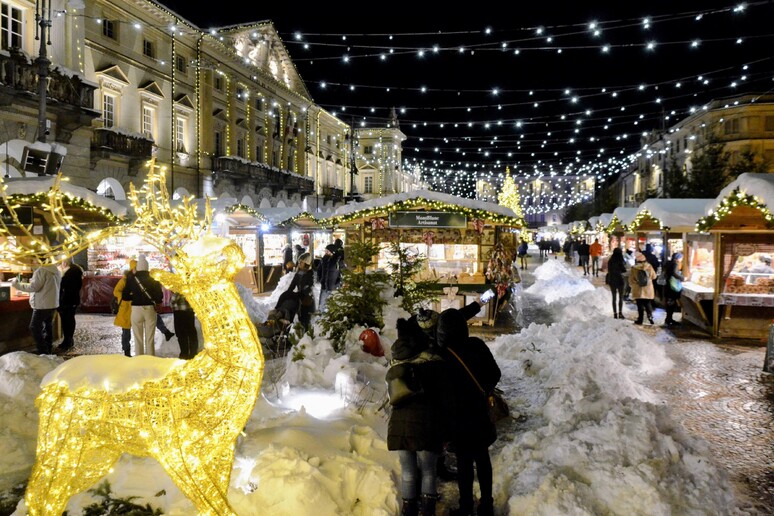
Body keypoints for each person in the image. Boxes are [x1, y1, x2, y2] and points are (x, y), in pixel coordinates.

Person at [436, 306, 502, 516]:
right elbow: (495, 373)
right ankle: (486, 505)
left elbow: (440, 392)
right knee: (483, 458)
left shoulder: (443, 357)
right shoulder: (477, 346)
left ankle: (465, 507)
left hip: (458, 420)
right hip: (479, 414)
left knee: (464, 463)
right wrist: (485, 390)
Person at [386, 317, 454, 516]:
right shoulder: (433, 362)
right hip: (426, 425)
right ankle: (427, 510)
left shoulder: (394, 362)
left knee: (408, 472)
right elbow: (444, 398)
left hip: (399, 426)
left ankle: (408, 510)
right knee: (428, 471)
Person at [11, 261, 62, 354]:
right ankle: (48, 348)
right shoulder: (56, 270)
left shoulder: (41, 271)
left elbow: (33, 287)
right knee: (48, 325)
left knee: (34, 327)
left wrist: (16, 285)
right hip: (52, 303)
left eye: (34, 259)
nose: (32, 262)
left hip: (42, 305)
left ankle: (43, 350)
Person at [125, 254, 163, 355]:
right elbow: (159, 296)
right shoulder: (153, 279)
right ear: (147, 267)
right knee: (150, 337)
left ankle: (139, 358)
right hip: (150, 309)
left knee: (138, 338)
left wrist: (134, 297)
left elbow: (125, 296)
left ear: (138, 267)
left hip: (136, 309)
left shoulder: (132, 279)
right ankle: (150, 358)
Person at [278, 252, 315, 331]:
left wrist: (300, 295)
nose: (299, 264)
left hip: (307, 300)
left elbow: (308, 288)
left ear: (306, 263)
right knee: (300, 319)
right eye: (299, 262)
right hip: (300, 299)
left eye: (301, 262)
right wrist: (287, 294)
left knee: (306, 320)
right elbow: (292, 286)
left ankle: (307, 336)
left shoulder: (310, 274)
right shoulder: (298, 274)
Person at [56, 258, 83, 352]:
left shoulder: (74, 270)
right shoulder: (60, 269)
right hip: (63, 299)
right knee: (65, 319)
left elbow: (75, 285)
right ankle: (67, 339)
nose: (63, 263)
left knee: (69, 319)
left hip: (70, 299)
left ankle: (68, 339)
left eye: (65, 260)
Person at [113, 259, 136, 357]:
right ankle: (127, 350)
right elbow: (116, 291)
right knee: (126, 332)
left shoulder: (137, 279)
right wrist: (125, 296)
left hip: (135, 307)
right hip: (126, 308)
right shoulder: (124, 280)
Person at [628, 252, 657, 325]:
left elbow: (631, 280)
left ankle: (640, 319)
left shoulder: (634, 268)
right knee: (647, 303)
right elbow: (654, 277)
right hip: (648, 289)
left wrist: (634, 284)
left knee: (640, 304)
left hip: (638, 289)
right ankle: (650, 317)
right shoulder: (649, 267)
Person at [171, 292, 199, 359]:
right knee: (191, 333)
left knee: (181, 334)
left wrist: (173, 306)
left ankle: (184, 354)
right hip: (189, 312)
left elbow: (173, 301)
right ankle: (193, 353)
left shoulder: (179, 289)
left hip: (179, 313)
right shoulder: (190, 288)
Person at [318, 244, 342, 312]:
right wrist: (321, 279)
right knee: (321, 306)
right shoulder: (323, 260)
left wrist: (337, 284)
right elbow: (319, 271)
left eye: (327, 251)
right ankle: (320, 319)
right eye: (325, 251)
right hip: (324, 287)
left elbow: (342, 273)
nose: (326, 252)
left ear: (332, 252)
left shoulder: (337, 261)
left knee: (333, 307)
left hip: (333, 288)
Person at [663, 252, 685, 327]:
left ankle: (668, 319)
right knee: (671, 303)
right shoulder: (675, 264)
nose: (681, 259)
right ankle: (669, 320)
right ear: (677, 258)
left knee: (669, 303)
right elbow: (675, 273)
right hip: (672, 286)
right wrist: (682, 278)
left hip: (668, 285)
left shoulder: (668, 263)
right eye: (681, 258)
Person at [606, 248, 627, 319]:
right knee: (620, 297)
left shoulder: (610, 260)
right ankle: (620, 313)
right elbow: (624, 270)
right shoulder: (620, 260)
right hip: (620, 280)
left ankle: (615, 314)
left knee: (614, 297)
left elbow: (609, 270)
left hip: (612, 280)